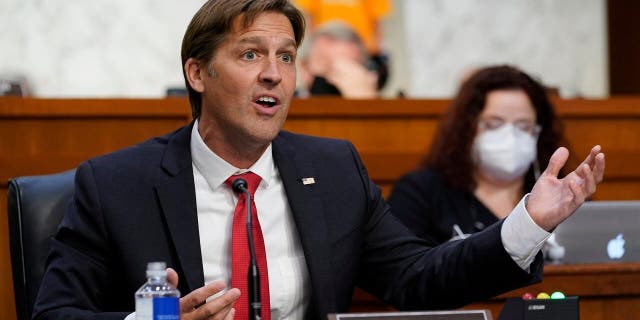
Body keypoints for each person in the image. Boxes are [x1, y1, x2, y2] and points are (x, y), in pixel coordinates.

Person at [32, 1, 605, 320]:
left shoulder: (332, 170)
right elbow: (56, 317)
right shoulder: (116, 183)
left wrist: (529, 221)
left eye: (286, 56)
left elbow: (416, 278)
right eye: (250, 53)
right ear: (197, 73)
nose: (274, 74)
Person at [388, 65, 569, 246]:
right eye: (493, 124)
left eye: (523, 126)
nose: (510, 137)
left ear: (538, 133)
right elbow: (407, 268)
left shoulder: (562, 193)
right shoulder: (420, 194)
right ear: (467, 129)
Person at [296, 22, 379, 98]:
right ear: (304, 68)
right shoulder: (287, 107)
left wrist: (365, 104)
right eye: (326, 65)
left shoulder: (384, 109)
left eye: (348, 69)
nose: (335, 79)